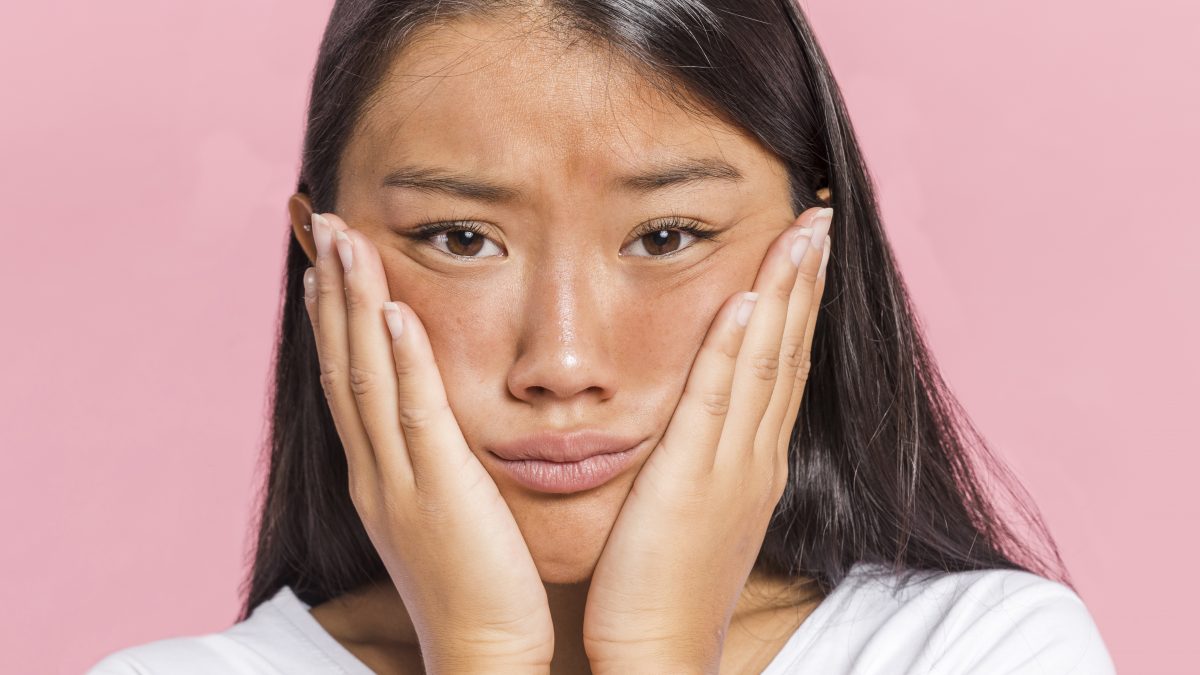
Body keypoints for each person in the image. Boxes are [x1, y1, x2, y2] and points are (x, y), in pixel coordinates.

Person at [87, 1, 1116, 673]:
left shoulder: (981, 650)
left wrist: (657, 654)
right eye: (460, 238)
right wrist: (483, 654)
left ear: (816, 249)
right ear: (324, 256)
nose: (564, 364)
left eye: (667, 236)